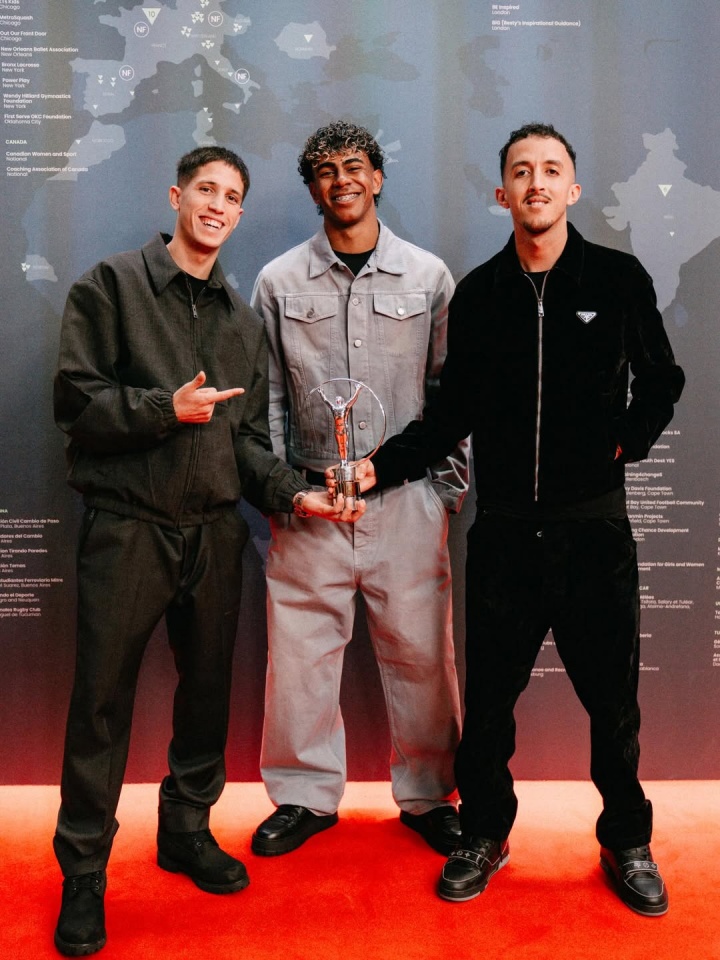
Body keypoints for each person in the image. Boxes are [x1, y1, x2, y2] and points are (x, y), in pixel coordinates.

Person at [348, 123, 685, 915]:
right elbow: (448, 416)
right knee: (490, 705)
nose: (537, 182)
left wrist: (625, 441)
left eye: (552, 170)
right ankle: (484, 833)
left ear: (572, 188)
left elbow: (662, 379)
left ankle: (626, 840)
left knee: (613, 705)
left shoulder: (617, 278)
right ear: (503, 193)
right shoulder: (479, 295)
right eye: (522, 172)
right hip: (504, 534)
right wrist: (376, 467)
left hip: (593, 531)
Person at [52, 145, 361, 957]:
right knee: (100, 703)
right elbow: (76, 403)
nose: (218, 205)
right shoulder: (110, 287)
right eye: (206, 190)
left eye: (232, 195)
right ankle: (83, 873)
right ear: (176, 196)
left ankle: (185, 830)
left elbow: (248, 443)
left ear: (240, 213)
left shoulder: (240, 322)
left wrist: (295, 492)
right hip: (128, 527)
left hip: (216, 533)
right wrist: (167, 409)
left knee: (207, 694)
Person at [249, 121, 470, 858]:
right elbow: (269, 400)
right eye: (324, 170)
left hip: (405, 503)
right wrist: (284, 494)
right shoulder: (278, 282)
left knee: (422, 656)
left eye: (353, 165)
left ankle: (430, 794)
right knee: (300, 658)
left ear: (376, 177)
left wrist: (443, 493)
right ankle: (303, 796)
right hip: (310, 504)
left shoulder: (428, 277)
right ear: (313, 188)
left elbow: (451, 396)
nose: (340, 179)